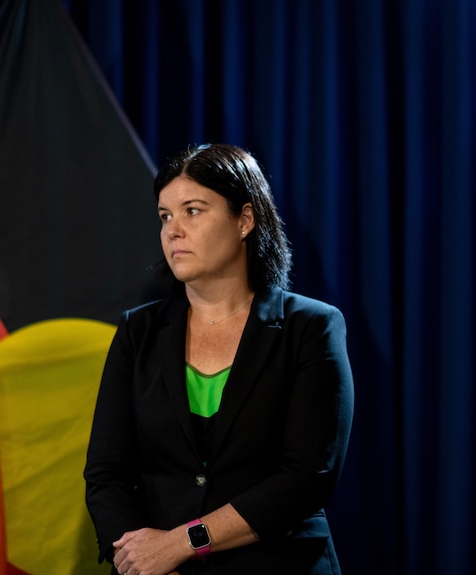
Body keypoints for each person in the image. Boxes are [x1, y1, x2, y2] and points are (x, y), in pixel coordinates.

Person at [84, 143, 354, 575]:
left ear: (245, 219)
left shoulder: (311, 327)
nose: (173, 230)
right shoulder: (138, 330)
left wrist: (182, 543)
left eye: (192, 210)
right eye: (165, 216)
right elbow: (105, 475)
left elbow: (306, 479)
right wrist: (144, 561)